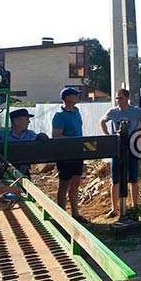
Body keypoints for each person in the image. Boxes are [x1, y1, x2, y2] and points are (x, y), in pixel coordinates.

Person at [100, 88, 141, 218]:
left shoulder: (135, 111)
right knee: (115, 179)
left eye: (121, 98)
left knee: (133, 178)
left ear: (127, 98)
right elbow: (102, 121)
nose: (118, 100)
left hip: (131, 146)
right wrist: (108, 135)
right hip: (117, 148)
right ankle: (114, 209)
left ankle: (134, 207)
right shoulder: (113, 112)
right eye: (117, 98)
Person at [52, 87, 89, 224]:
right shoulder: (59, 115)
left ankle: (75, 214)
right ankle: (62, 215)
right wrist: (72, 141)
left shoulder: (77, 111)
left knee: (75, 182)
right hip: (65, 153)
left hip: (78, 152)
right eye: (75, 95)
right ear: (67, 98)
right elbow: (56, 135)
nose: (77, 97)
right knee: (64, 183)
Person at [3, 108, 37, 176]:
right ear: (16, 121)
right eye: (27, 119)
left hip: (24, 171)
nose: (29, 122)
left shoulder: (30, 134)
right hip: (4, 170)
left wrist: (41, 137)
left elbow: (37, 139)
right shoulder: (2, 133)